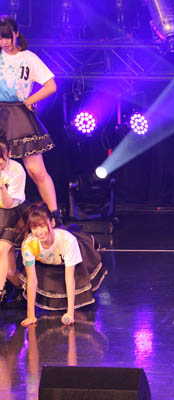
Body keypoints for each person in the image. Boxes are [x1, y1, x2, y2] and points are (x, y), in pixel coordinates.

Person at [0, 16, 62, 224]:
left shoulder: (28, 58)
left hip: (18, 115)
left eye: (7, 37)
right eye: (0, 38)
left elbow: (51, 86)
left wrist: (29, 100)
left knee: (36, 170)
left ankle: (54, 216)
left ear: (16, 34)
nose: (3, 42)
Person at [17, 202, 107, 327]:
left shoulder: (67, 241)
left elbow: (69, 278)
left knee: (78, 234)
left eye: (42, 226)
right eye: (34, 228)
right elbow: (32, 280)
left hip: (76, 250)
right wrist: (30, 315)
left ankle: (86, 236)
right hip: (49, 262)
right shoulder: (29, 245)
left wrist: (70, 312)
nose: (39, 232)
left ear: (52, 222)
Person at [0, 137, 27, 304]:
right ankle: (23, 289)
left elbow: (8, 204)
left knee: (2, 250)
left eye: (1, 161)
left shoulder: (17, 170)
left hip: (12, 214)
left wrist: (2, 186)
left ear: (9, 153)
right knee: (10, 271)